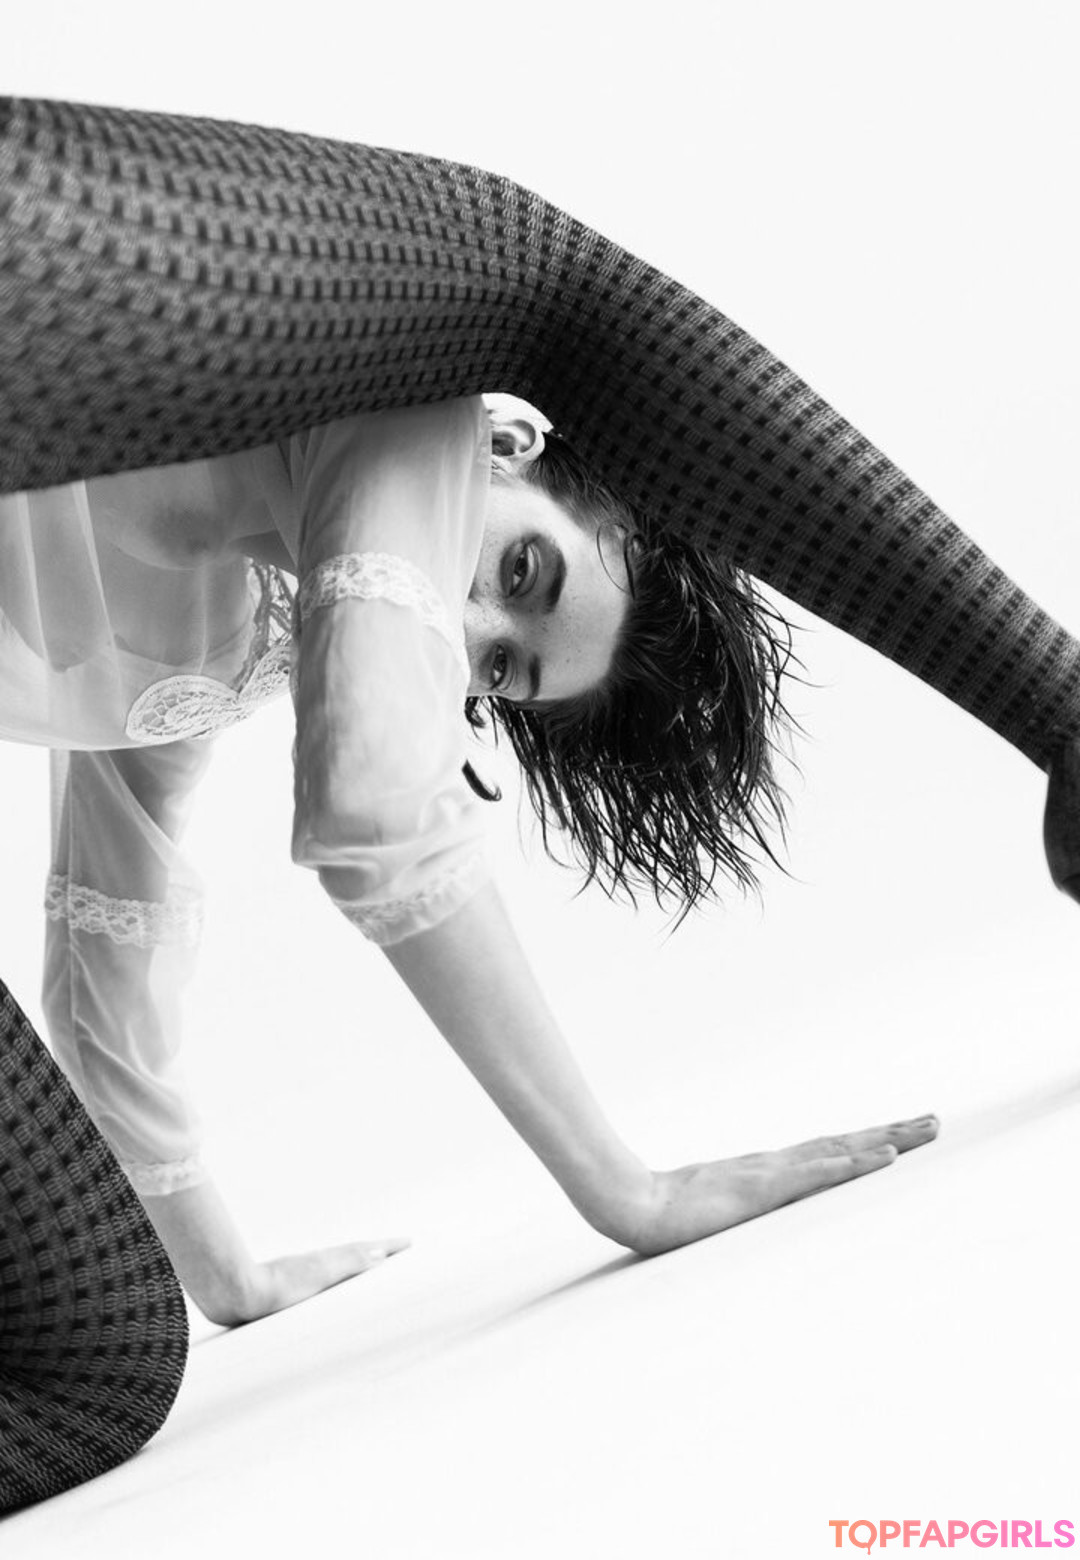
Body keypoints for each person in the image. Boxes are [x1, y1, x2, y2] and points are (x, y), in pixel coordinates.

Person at [2, 96, 1074, 1326]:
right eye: (524, 570)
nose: (467, 626)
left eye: (502, 669)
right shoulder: (409, 411)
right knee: (548, 277)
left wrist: (222, 1277)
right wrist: (629, 1193)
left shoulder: (236, 649)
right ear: (511, 446)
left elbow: (108, 945)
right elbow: (371, 802)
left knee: (110, 1353)